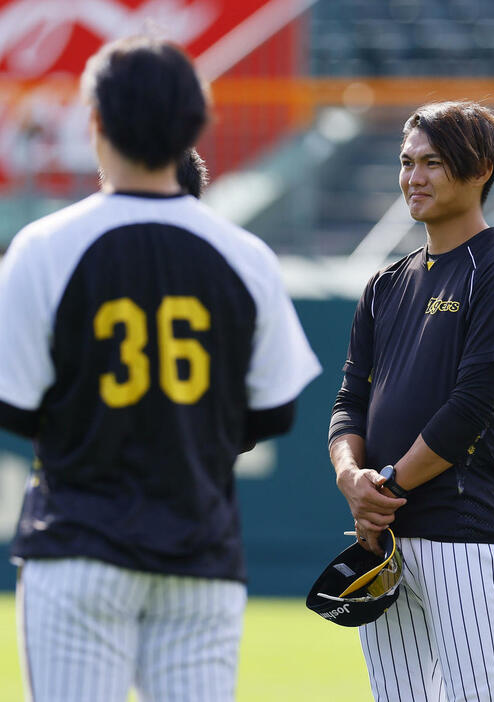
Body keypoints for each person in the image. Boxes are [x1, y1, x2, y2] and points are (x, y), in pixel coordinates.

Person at [0, 36, 320, 701]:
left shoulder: (44, 246)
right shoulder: (245, 254)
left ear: (94, 121)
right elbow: (273, 410)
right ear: (194, 127)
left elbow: (14, 405)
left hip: (79, 543)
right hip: (200, 550)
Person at [328, 101, 494, 701]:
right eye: (406, 162)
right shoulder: (386, 283)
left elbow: (472, 408)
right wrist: (353, 479)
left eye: (432, 162)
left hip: (468, 528)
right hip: (388, 537)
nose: (413, 177)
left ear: (479, 170)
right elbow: (350, 400)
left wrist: (386, 488)